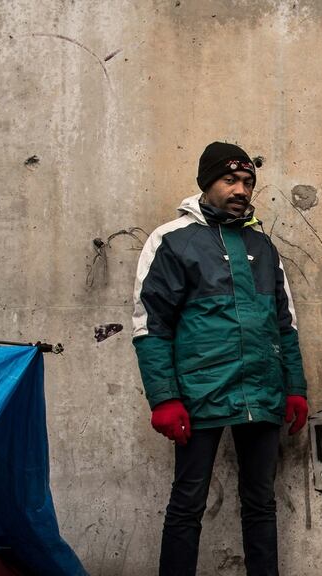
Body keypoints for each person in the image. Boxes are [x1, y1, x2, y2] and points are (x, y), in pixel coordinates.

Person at [131, 141, 309, 576]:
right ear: (206, 183)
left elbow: (284, 324)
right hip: (199, 393)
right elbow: (151, 325)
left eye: (248, 182)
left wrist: (295, 388)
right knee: (188, 502)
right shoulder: (171, 240)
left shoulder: (262, 246)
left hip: (261, 389)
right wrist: (165, 398)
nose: (241, 189)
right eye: (230, 180)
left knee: (260, 503)